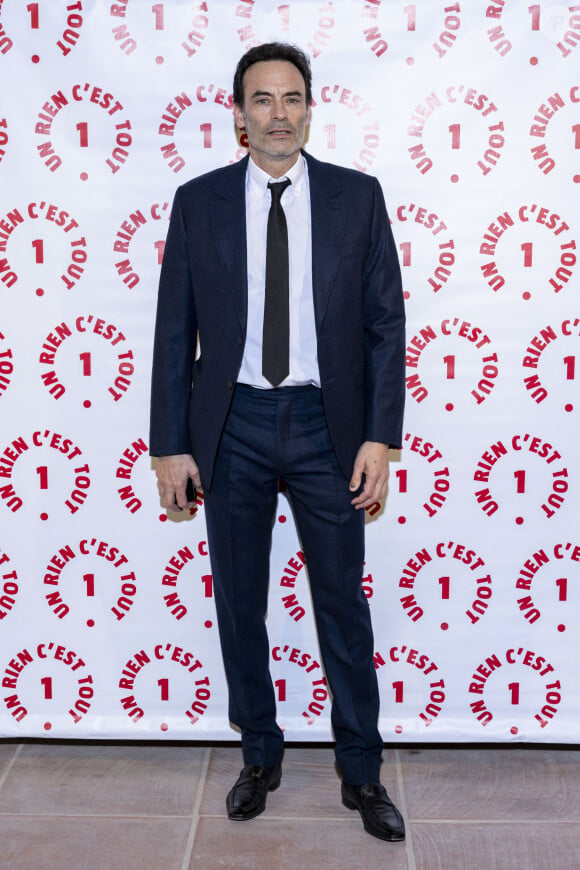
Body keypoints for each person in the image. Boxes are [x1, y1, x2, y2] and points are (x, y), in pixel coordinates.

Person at [150, 42, 406, 842]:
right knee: (240, 606)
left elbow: (384, 327)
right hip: (232, 429)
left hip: (331, 428)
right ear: (238, 113)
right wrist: (170, 443)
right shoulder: (198, 202)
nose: (278, 114)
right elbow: (173, 332)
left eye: (291, 98)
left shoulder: (357, 199)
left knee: (341, 605)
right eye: (262, 100)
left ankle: (361, 773)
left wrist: (379, 437)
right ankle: (259, 755)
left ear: (309, 109)